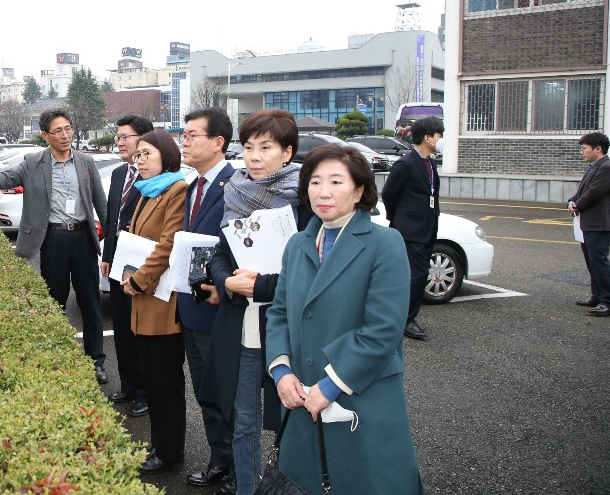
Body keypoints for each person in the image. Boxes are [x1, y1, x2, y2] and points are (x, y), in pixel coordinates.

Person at [265, 144, 425, 494]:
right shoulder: (298, 244)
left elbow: (383, 329)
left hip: (359, 395)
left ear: (360, 191)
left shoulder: (385, 243)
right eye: (315, 182)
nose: (323, 192)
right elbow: (279, 312)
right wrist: (280, 370)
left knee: (364, 480)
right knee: (303, 482)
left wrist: (331, 384)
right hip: (301, 394)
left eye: (336, 182)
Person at [0, 109, 109, 383]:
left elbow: (101, 202)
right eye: (58, 131)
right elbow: (6, 177)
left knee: (90, 302)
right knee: (54, 302)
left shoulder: (85, 162)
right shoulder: (33, 162)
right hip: (53, 239)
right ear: (45, 135)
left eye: (68, 129)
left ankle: (96, 360)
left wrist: (111, 243)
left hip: (83, 238)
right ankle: (60, 358)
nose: (65, 135)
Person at [203, 109, 310, 495]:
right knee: (244, 418)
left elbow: (313, 272)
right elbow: (219, 253)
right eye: (248, 147)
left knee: (293, 418)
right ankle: (247, 487)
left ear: (287, 152)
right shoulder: (234, 191)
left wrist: (261, 287)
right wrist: (227, 281)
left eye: (266, 147)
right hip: (243, 324)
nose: (255, 156)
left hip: (289, 325)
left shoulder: (304, 198)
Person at [119, 130, 189, 474]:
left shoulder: (176, 188)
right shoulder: (147, 191)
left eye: (146, 154)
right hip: (142, 299)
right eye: (138, 155)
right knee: (152, 378)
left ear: (166, 156)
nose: (140, 160)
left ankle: (169, 450)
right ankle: (161, 443)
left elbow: (168, 243)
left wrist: (138, 279)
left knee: (165, 382)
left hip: (163, 301)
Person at [177, 108, 236, 491]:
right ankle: (222, 458)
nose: (184, 141)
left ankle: (235, 466)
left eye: (192, 135)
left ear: (218, 142)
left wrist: (225, 283)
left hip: (220, 307)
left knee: (226, 393)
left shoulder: (237, 185)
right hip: (190, 305)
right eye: (183, 134)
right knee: (204, 392)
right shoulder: (192, 185)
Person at [100, 114, 154, 416]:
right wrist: (107, 256)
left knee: (139, 330)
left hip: (142, 265)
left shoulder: (155, 176)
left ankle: (146, 392)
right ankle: (129, 385)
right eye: (118, 136)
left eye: (126, 137)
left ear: (143, 139)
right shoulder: (120, 173)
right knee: (120, 326)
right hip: (117, 262)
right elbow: (112, 220)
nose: (120, 142)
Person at [380, 115, 444, 341]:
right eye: (438, 135)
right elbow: (388, 193)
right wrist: (398, 218)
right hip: (410, 230)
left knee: (420, 274)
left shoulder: (430, 162)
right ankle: (406, 319)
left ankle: (407, 316)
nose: (440, 139)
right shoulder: (406, 163)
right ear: (428, 137)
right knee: (415, 276)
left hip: (427, 227)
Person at [568, 132, 610, 317]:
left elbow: (594, 192)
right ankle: (597, 296)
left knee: (599, 262)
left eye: (584, 148)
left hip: (600, 223)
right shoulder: (594, 166)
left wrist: (577, 205)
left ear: (598, 149)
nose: (582, 152)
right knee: (592, 263)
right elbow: (583, 191)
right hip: (589, 222)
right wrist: (571, 202)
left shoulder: (608, 168)